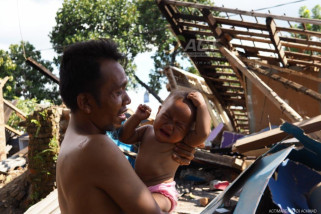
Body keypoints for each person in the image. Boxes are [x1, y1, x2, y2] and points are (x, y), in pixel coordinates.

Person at [56, 39, 196, 214]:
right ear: (85, 102)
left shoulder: (72, 139)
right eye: (118, 92)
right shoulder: (95, 147)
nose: (128, 99)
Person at [119, 90, 211, 213]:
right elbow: (124, 137)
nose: (169, 126)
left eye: (179, 125)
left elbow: (203, 133)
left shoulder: (182, 141)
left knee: (143, 205)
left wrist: (202, 106)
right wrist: (136, 117)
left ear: (187, 131)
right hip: (138, 186)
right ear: (159, 111)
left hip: (161, 192)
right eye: (166, 117)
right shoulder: (147, 130)